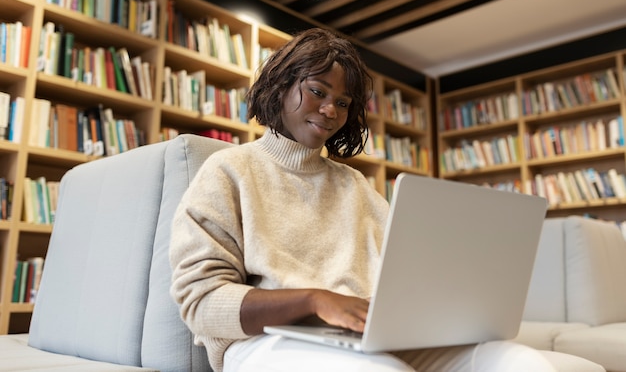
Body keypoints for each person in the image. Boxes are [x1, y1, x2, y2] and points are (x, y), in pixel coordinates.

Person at [169, 28, 558, 372]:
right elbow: (201, 304)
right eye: (318, 91)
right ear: (281, 85)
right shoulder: (229, 170)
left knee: (519, 362)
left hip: (364, 334)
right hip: (262, 343)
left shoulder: (354, 185)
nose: (330, 110)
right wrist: (315, 300)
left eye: (343, 102)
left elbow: (404, 272)